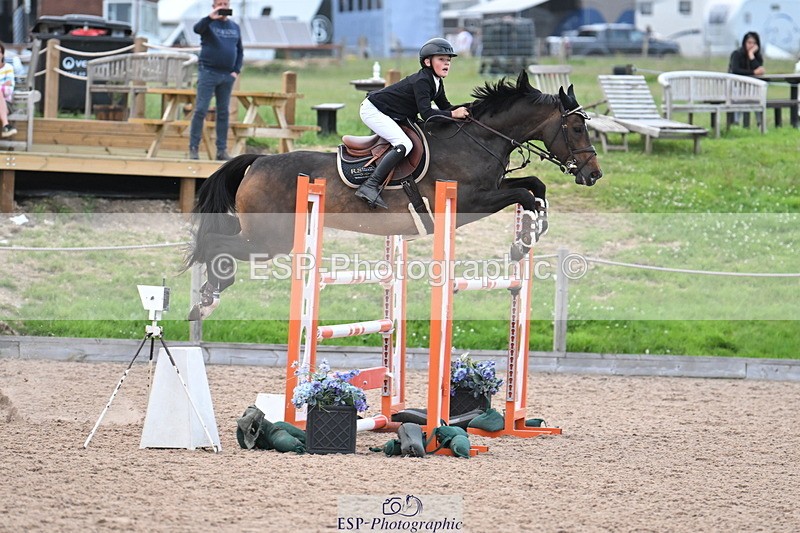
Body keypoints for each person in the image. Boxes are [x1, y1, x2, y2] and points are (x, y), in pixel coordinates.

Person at [355, 38, 470, 209]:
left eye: (448, 60)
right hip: (373, 110)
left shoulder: (436, 82)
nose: (446, 64)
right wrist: (454, 114)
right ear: (427, 62)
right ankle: (370, 185)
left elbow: (446, 107)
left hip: (392, 112)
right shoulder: (423, 80)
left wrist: (470, 110)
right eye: (441, 59)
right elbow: (427, 113)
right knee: (404, 144)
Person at [189, 0, 243, 160]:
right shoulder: (208, 25)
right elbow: (196, 29)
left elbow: (239, 50)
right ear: (214, 6)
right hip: (208, 72)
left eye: (225, 4)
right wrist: (210, 17)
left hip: (227, 75)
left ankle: (221, 150)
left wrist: (236, 71)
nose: (223, 7)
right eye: (219, 4)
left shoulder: (235, 27)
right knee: (201, 109)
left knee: (223, 112)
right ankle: (193, 148)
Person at [0, 42, 17, 139]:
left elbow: (9, 90)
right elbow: (5, 86)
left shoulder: (8, 68)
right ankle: (6, 126)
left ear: (2, 54)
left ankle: (6, 125)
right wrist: (2, 86)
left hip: (7, 103)